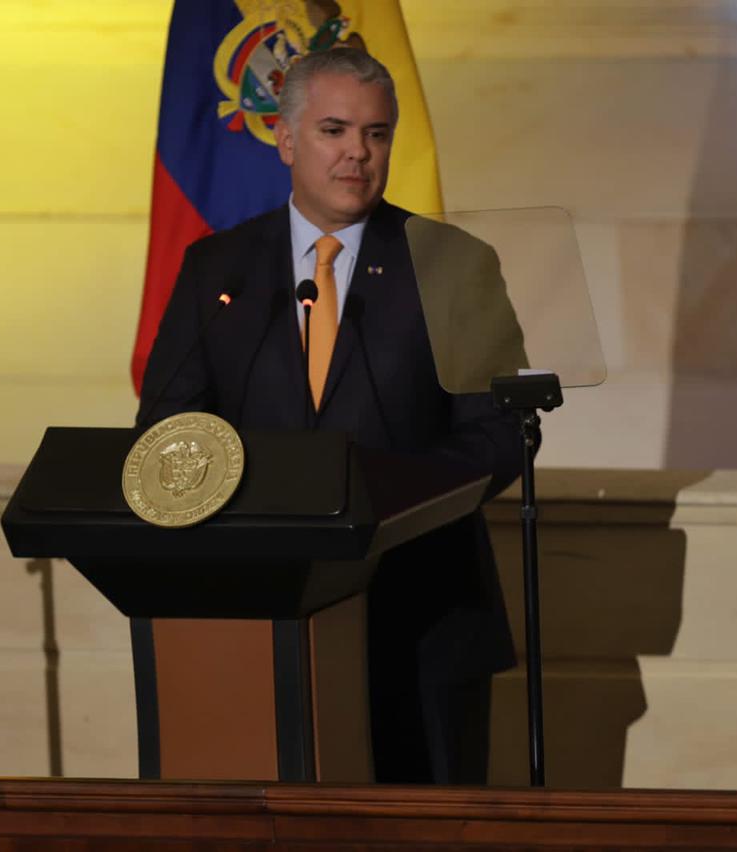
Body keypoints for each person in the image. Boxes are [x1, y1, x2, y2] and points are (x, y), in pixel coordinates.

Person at [137, 47, 523, 785]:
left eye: (376, 135)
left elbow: (501, 435)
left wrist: (378, 496)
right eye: (335, 131)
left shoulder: (449, 264)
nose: (358, 154)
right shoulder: (218, 269)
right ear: (285, 140)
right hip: (255, 622)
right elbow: (167, 432)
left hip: (420, 616)